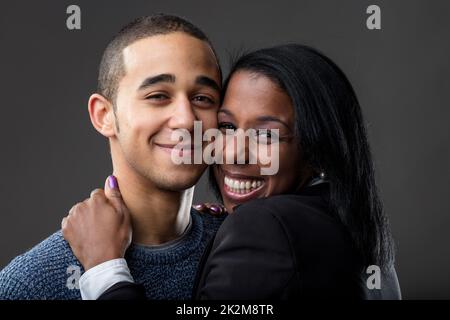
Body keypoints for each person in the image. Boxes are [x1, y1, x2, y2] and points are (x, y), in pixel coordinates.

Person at [62, 44, 402, 299]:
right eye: (225, 127)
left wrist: (105, 268)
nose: (234, 154)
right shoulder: (360, 232)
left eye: (266, 134)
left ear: (319, 149)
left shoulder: (266, 227)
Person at [0, 14, 226, 300]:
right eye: (158, 96)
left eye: (203, 98)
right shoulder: (30, 285)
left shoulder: (245, 245)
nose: (185, 119)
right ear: (104, 115)